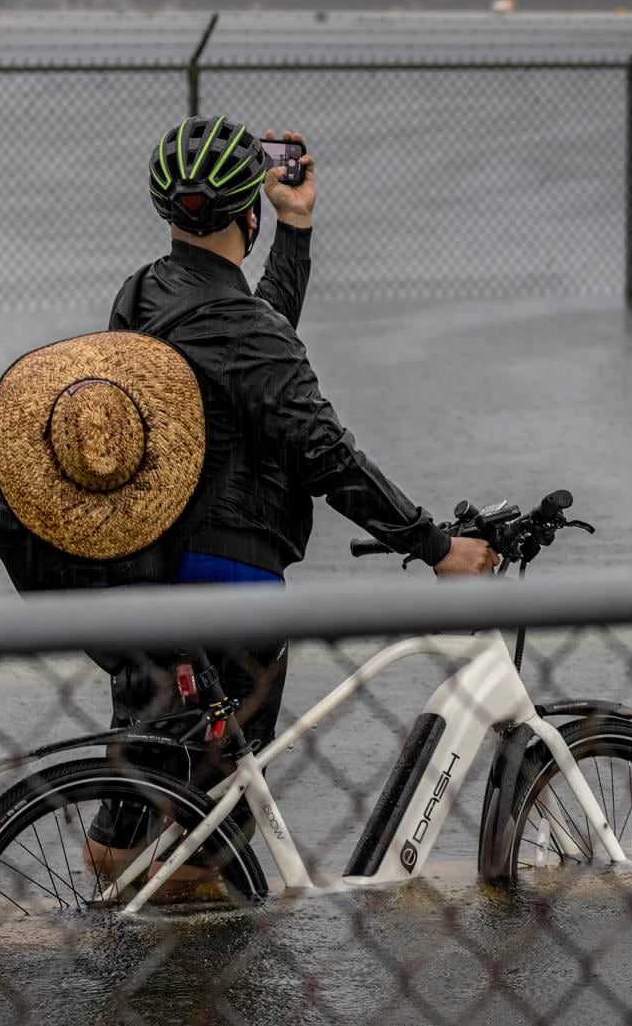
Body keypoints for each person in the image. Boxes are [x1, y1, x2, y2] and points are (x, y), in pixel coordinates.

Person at [81, 114, 497, 887]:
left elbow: (248, 340)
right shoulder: (242, 329)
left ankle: (128, 957)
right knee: (212, 832)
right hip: (229, 587)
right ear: (248, 213)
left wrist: (295, 228)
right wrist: (435, 546)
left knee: (140, 798)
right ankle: (202, 984)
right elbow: (323, 452)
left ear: (170, 213)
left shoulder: (144, 292)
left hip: (143, 573)